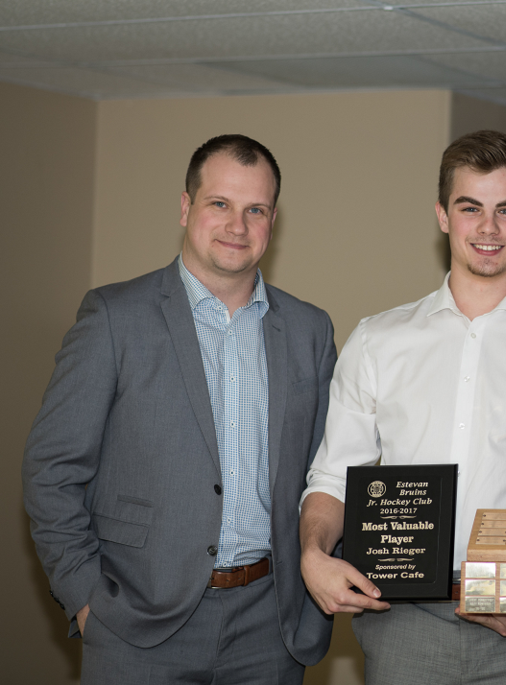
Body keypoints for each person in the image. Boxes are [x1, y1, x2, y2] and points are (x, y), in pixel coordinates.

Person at [22, 134, 337, 684]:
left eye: (255, 209)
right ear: (187, 207)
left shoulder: (310, 330)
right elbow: (52, 472)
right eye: (220, 204)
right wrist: (86, 599)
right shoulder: (114, 317)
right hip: (137, 623)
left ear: (273, 219)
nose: (237, 225)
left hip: (270, 626)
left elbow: (328, 473)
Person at [299, 130, 506, 685]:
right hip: (404, 625)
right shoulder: (379, 340)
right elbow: (333, 476)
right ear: (443, 215)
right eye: (470, 207)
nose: (489, 228)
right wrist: (314, 554)